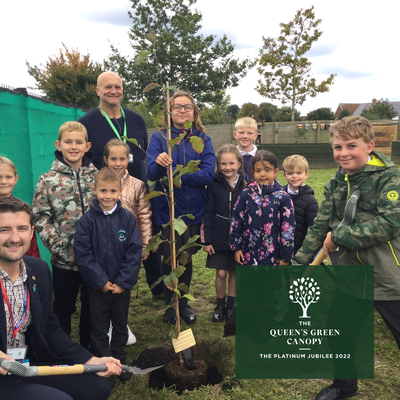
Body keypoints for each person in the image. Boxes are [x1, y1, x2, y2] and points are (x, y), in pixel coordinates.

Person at [292, 116, 400, 400]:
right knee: (340, 331)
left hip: (389, 277)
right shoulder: (336, 182)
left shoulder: (389, 177)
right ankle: (344, 385)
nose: (343, 153)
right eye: (338, 147)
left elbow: (389, 224)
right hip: (350, 276)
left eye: (351, 145)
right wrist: (298, 264)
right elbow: (320, 225)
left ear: (370, 146)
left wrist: (339, 237)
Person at [0, 197, 122, 400]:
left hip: (29, 365)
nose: (14, 238)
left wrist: (89, 360)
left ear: (32, 232)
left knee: (97, 388)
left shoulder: (38, 269)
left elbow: (48, 327)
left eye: (21, 228)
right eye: (4, 230)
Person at [78, 71, 163, 302]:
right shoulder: (86, 123)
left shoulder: (136, 119)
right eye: (107, 87)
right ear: (98, 91)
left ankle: (158, 289)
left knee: (148, 238)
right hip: (108, 197)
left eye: (117, 86)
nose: (113, 91)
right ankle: (113, 293)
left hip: (138, 191)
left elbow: (143, 152)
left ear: (123, 90)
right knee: (113, 246)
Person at [146, 90, 216, 325]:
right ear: (169, 111)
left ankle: (183, 304)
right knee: (169, 257)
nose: (182, 110)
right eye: (177, 106)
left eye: (187, 107)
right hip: (166, 209)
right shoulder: (159, 138)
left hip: (192, 208)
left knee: (184, 256)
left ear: (194, 112)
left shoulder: (202, 139)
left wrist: (177, 176)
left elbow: (207, 174)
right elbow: (151, 174)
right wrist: (159, 164)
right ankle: (170, 306)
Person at [74, 167, 143, 383]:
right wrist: (101, 281)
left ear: (120, 191)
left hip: (122, 287)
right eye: (103, 191)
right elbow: (83, 254)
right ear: (94, 190)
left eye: (113, 191)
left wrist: (123, 281)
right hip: (98, 288)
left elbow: (134, 251)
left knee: (120, 324)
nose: (108, 196)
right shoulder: (87, 221)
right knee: (99, 326)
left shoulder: (128, 219)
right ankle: (104, 364)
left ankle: (119, 362)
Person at [32, 121, 96, 350]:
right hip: (64, 262)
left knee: (92, 307)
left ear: (87, 146)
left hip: (93, 261)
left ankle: (90, 350)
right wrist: (59, 247)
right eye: (68, 142)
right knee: (63, 308)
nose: (73, 146)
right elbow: (41, 217)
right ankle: (62, 350)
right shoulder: (47, 180)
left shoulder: (96, 177)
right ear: (58, 145)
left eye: (79, 142)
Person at [102, 139, 152, 344]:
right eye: (113, 158)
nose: (118, 163)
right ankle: (106, 325)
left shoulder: (137, 185)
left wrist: (146, 243)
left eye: (122, 158)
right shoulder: (98, 182)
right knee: (105, 284)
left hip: (128, 246)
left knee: (123, 284)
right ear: (105, 159)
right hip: (104, 246)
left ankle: (121, 323)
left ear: (128, 159)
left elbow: (144, 215)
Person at [202, 144, 247, 322]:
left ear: (239, 164)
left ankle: (231, 306)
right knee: (221, 273)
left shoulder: (246, 185)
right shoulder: (213, 184)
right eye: (223, 164)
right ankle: (219, 305)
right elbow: (208, 212)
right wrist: (207, 240)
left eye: (231, 163)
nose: (227, 167)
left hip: (239, 239)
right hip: (218, 238)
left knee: (234, 272)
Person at [230, 149, 295, 267]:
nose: (263, 174)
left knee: (270, 285)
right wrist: (236, 247)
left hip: (272, 257)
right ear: (253, 172)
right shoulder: (246, 194)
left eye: (267, 170)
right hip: (249, 255)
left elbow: (288, 230)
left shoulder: (283, 197)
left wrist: (285, 257)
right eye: (258, 170)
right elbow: (237, 221)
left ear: (275, 172)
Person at [0, 156, 40, 258]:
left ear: (16, 179)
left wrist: (33, 266)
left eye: (8, 177)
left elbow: (32, 245)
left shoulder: (22, 210)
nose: (3, 181)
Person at [282, 154, 319, 255]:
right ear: (284, 175)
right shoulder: (279, 196)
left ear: (306, 174)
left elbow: (312, 228)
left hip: (300, 248)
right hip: (280, 247)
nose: (294, 176)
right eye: (290, 173)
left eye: (299, 172)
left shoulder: (310, 201)